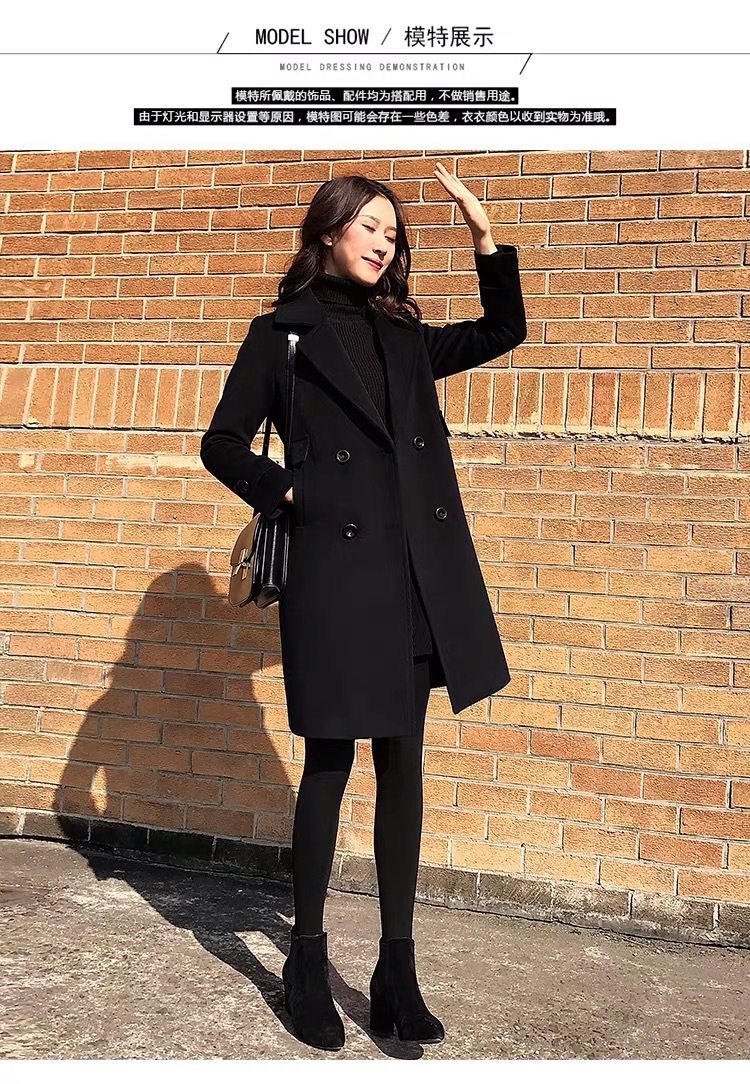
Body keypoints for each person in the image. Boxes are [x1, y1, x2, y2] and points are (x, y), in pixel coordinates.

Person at [200, 164, 527, 1050]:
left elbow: (505, 328)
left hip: (412, 576)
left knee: (403, 764)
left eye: (393, 231)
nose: (384, 242)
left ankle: (396, 971)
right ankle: (306, 961)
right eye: (369, 226)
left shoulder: (403, 334)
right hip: (334, 580)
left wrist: (483, 235)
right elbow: (221, 443)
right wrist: (292, 492)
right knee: (329, 764)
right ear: (329, 231)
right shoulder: (281, 334)